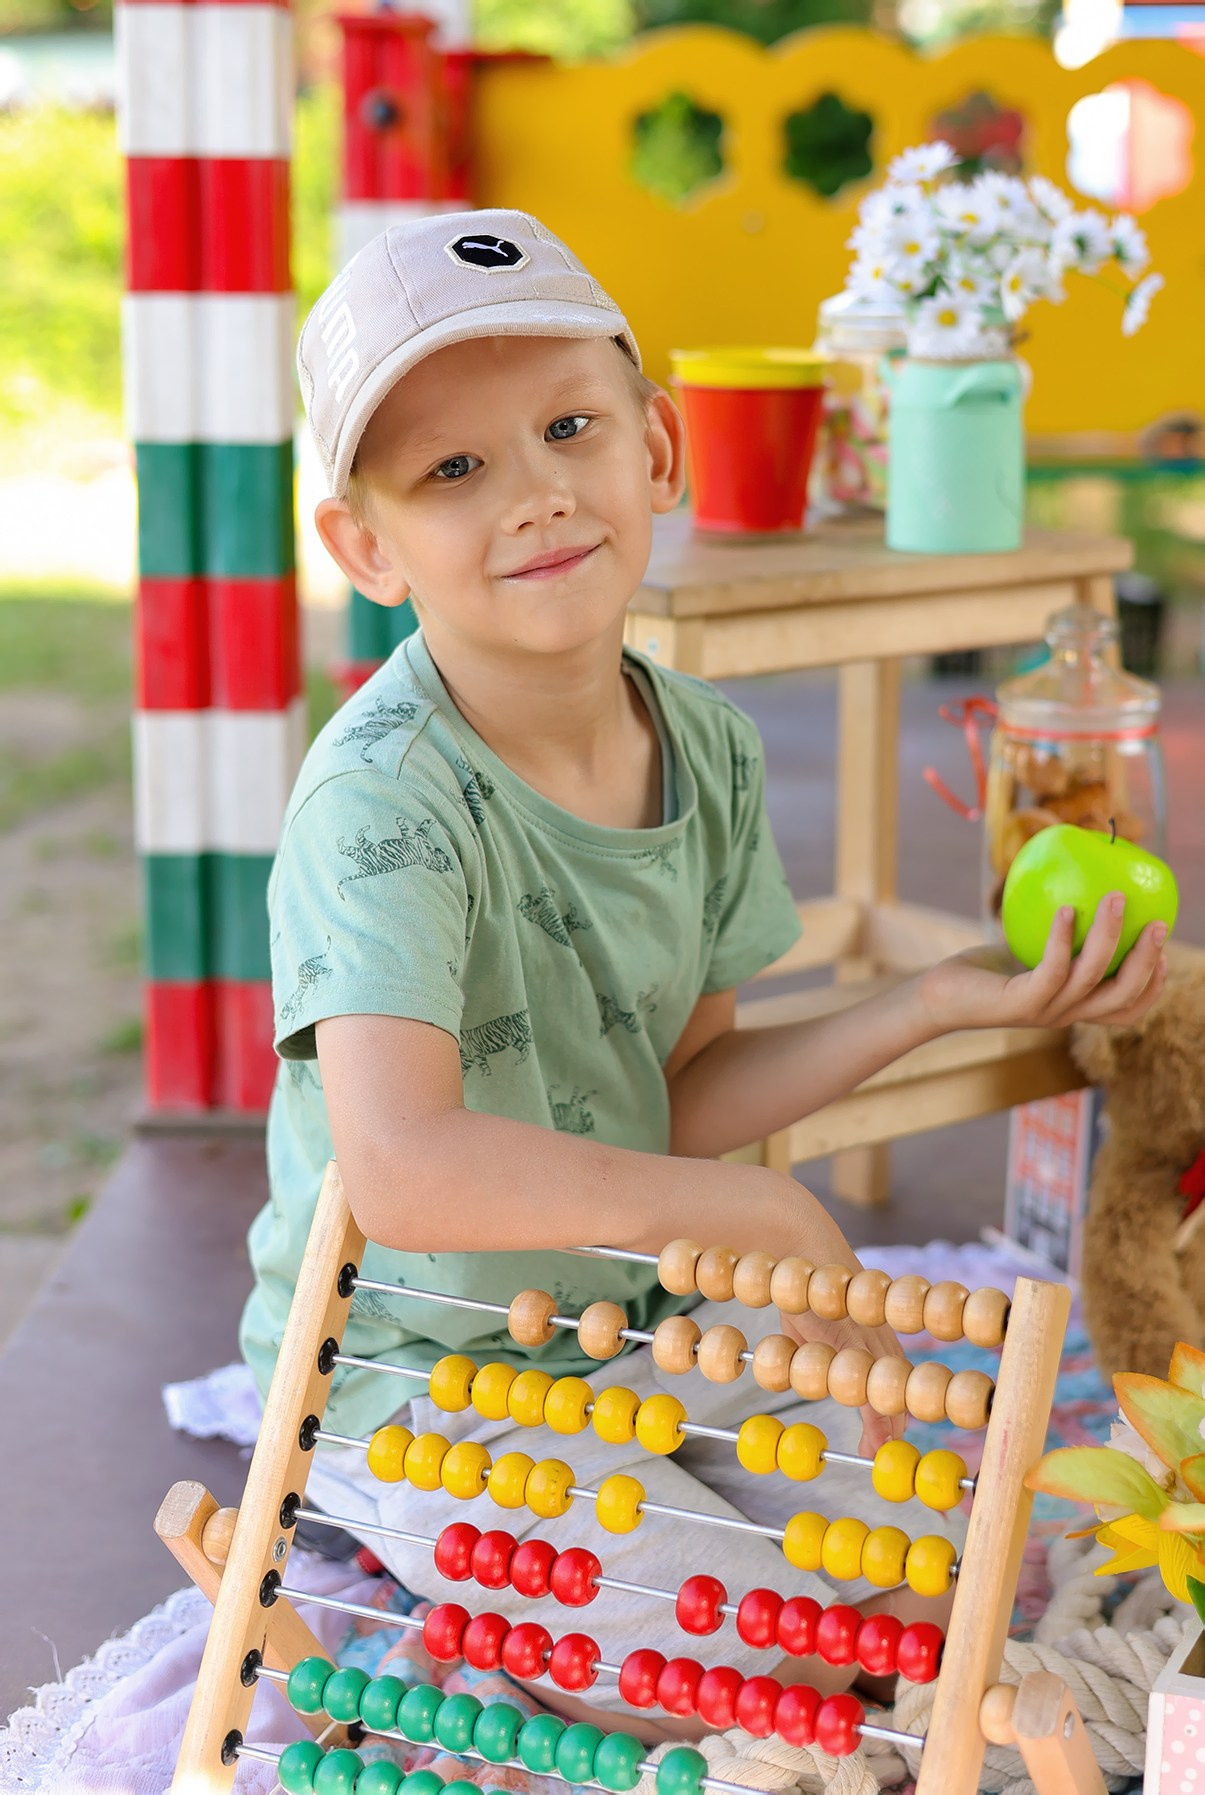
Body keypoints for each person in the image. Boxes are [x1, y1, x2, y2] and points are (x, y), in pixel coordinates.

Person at [240, 208, 1168, 1735]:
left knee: (944, 1556)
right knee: (760, 1671)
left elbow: (673, 1105)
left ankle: (616, 1572)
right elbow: (403, 1173)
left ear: (655, 450)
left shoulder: (708, 749)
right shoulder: (380, 804)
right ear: (366, 547)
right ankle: (428, 1561)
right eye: (451, 470)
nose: (535, 494)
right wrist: (751, 1213)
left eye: (567, 429)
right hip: (409, 1365)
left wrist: (929, 1003)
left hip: (615, 1320)